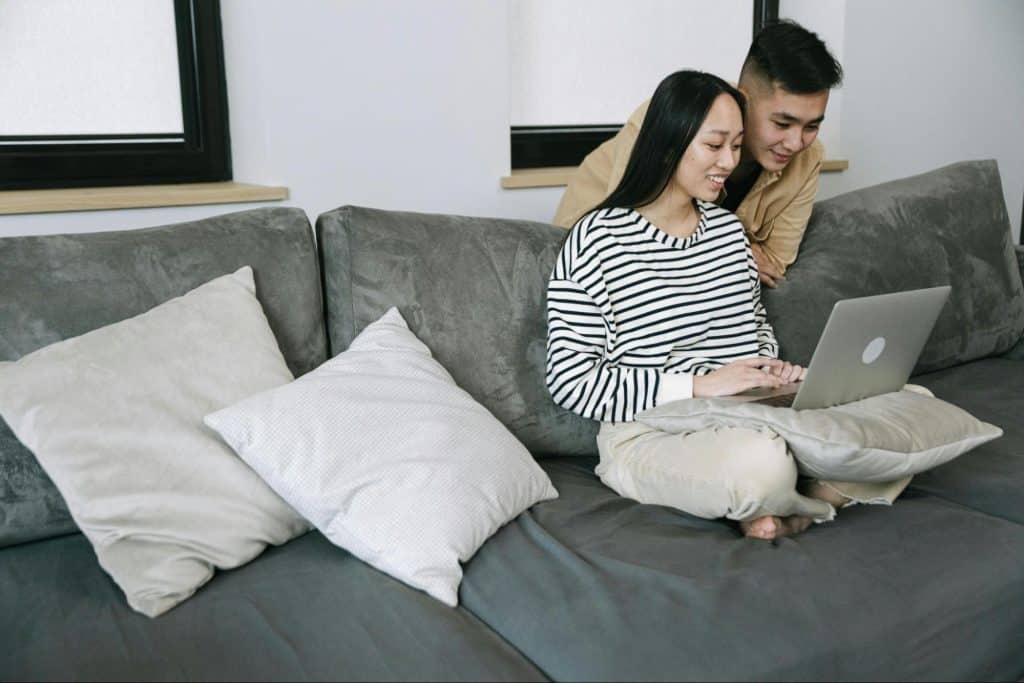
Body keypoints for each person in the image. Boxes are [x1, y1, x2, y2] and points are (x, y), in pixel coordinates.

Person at [546, 70, 912, 541]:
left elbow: (754, 327)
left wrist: (771, 371)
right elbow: (571, 381)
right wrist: (699, 386)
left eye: (737, 146)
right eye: (714, 145)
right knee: (761, 464)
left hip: (748, 412)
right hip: (649, 432)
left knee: (904, 408)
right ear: (668, 143)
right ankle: (800, 493)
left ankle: (790, 509)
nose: (728, 162)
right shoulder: (596, 239)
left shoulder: (727, 233)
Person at [552, 20, 842, 288]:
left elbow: (773, 265)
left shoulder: (808, 157)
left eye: (812, 126)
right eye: (782, 123)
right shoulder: (671, 118)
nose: (795, 143)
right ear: (743, 99)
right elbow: (630, 244)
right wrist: (736, 251)